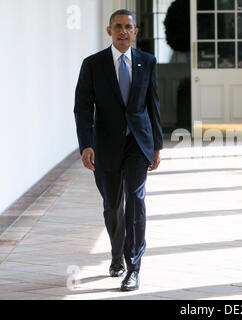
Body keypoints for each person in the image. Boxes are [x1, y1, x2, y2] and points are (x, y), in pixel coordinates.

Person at [74, 9, 163, 291]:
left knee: (135, 201)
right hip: (105, 145)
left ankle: (133, 266)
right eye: (118, 26)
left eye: (128, 27)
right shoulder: (93, 64)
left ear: (135, 31)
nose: (123, 31)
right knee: (113, 206)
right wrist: (86, 144)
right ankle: (117, 255)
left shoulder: (147, 62)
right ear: (109, 30)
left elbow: (154, 106)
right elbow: (83, 108)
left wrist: (157, 145)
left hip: (138, 142)